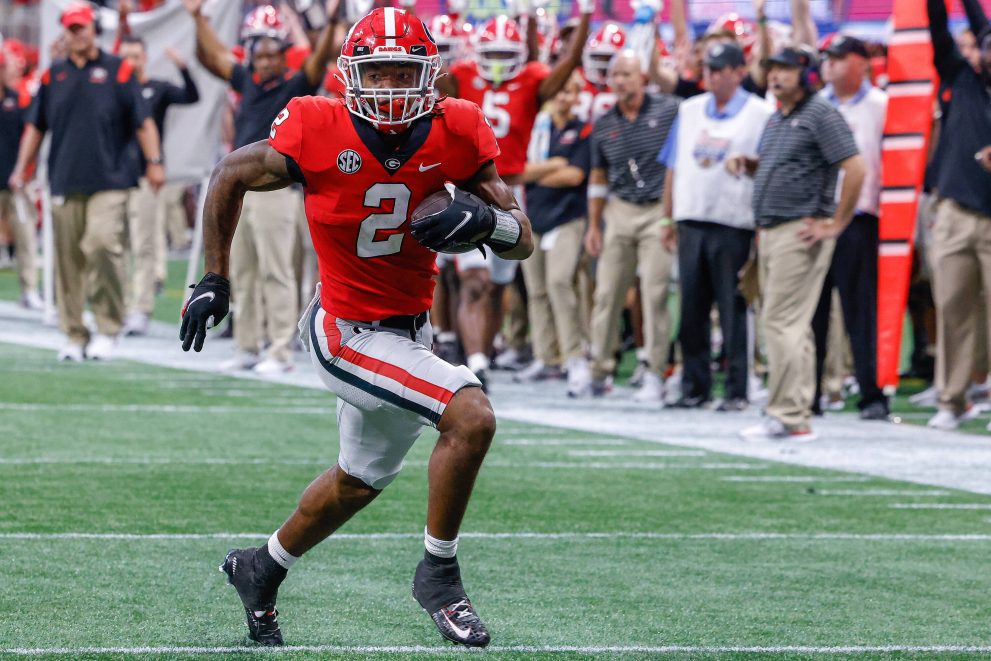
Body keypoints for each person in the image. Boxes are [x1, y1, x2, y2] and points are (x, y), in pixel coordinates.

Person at [179, 8, 533, 648]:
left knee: (356, 481)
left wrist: (488, 224)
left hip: (411, 332)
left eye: (405, 71)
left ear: (431, 76)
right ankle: (439, 574)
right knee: (471, 416)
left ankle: (261, 568)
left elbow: (523, 241)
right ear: (351, 76)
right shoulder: (317, 123)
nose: (393, 86)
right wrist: (214, 278)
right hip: (345, 329)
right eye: (380, 72)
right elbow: (231, 172)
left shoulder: (458, 129)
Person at [184, 0, 337, 375]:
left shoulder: (295, 83)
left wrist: (332, 23)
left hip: (276, 191)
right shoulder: (247, 79)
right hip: (241, 191)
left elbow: (317, 60)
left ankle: (281, 348)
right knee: (244, 273)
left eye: (273, 53)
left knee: (276, 271)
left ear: (284, 53)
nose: (266, 61)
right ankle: (247, 344)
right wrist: (197, 18)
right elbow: (214, 57)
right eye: (260, 53)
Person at [439, 7, 590, 384]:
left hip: (510, 191)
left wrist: (584, 15)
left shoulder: (534, 78)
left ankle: (479, 355)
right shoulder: (460, 76)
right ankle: (476, 362)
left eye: (508, 54)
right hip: (468, 189)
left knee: (497, 286)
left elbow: (568, 63)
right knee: (472, 278)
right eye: (494, 54)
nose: (499, 63)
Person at [9, 2, 165, 362]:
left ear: (94, 29)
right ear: (65, 32)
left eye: (82, 27)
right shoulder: (53, 74)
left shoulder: (119, 71)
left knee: (101, 244)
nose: (77, 34)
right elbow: (36, 125)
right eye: (71, 28)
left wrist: (155, 162)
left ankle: (109, 327)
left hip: (110, 178)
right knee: (67, 261)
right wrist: (22, 166)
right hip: (64, 178)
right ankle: (75, 333)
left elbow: (143, 121)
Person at [730, 46, 864, 442]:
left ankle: (785, 414)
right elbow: (792, 167)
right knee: (793, 326)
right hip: (772, 231)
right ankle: (797, 412)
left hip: (798, 231)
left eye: (785, 69)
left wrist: (835, 224)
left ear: (806, 74)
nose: (775, 76)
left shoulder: (821, 114)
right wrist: (754, 167)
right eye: (771, 69)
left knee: (779, 321)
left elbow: (855, 168)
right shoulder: (779, 117)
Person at [658, 41, 772, 411]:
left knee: (734, 308)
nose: (711, 74)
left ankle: (738, 388)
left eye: (720, 68)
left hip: (733, 221)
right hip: (691, 218)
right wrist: (667, 215)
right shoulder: (689, 109)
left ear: (739, 71)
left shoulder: (760, 113)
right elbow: (673, 165)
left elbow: (767, 167)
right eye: (708, 67)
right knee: (691, 307)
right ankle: (695, 386)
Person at [576, 50, 679, 402]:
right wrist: (594, 225)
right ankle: (599, 370)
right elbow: (599, 176)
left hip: (657, 209)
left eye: (627, 74)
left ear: (643, 77)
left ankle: (655, 371)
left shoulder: (668, 110)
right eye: (615, 74)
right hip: (619, 209)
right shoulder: (604, 122)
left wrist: (671, 214)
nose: (620, 80)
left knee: (654, 293)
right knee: (607, 293)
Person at [812, 34, 889, 421]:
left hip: (860, 220)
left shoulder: (881, 106)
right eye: (827, 58)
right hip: (815, 219)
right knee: (812, 311)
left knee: (862, 312)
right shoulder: (815, 106)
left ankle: (872, 392)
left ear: (863, 63)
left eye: (840, 58)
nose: (831, 64)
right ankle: (809, 392)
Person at [925, 0, 991, 430]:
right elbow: (940, 30)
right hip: (953, 210)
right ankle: (952, 399)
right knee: (951, 306)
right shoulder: (962, 79)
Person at [117, 36, 200, 336]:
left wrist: (184, 68)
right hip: (114, 177)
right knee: (115, 245)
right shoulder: (112, 87)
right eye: (126, 56)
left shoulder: (157, 88)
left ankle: (140, 308)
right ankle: (120, 306)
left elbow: (192, 96)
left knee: (145, 244)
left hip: (143, 178)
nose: (131, 62)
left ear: (145, 58)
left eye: (136, 56)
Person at [516, 71, 591, 392]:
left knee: (560, 282)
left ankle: (574, 355)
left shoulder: (583, 129)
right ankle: (546, 356)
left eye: (569, 91)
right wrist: (551, 166)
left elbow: (574, 176)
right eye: (558, 90)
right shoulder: (536, 128)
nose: (562, 97)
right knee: (536, 291)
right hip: (534, 217)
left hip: (567, 217)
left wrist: (534, 174)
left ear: (577, 96)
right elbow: (517, 170)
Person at [0, 68, 39, 310]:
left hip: (14, 182)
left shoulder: (16, 100)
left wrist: (25, 171)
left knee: (26, 237)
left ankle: (30, 290)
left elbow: (32, 134)